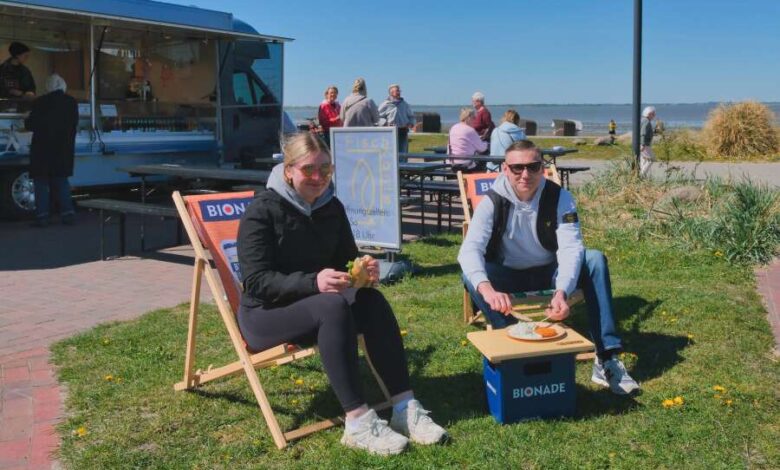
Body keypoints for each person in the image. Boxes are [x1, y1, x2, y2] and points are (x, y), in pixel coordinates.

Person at [236, 133, 447, 456]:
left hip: (318, 306)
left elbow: (344, 263)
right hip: (265, 315)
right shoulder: (261, 212)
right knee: (331, 307)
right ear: (288, 170)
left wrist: (361, 272)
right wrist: (313, 282)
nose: (318, 178)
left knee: (372, 301)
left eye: (326, 169)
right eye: (308, 170)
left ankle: (405, 409)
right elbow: (256, 281)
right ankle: (358, 422)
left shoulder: (331, 207)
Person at [457, 139, 640, 395]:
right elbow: (470, 249)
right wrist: (487, 289)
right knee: (471, 273)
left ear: (542, 168)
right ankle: (514, 340)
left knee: (595, 259)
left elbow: (570, 247)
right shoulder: (492, 201)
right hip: (507, 274)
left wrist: (562, 290)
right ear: (505, 170)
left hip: (548, 273)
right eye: (517, 168)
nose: (525, 174)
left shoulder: (560, 197)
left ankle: (606, 357)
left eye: (533, 167)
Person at [24, 74, 78, 227]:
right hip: (64, 147)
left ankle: (42, 217)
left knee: (41, 182)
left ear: (47, 87)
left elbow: (31, 125)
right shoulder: (71, 102)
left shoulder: (40, 102)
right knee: (61, 181)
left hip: (42, 148)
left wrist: (27, 118)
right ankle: (67, 214)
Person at [378, 84, 415, 155]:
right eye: (397, 91)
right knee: (391, 153)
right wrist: (385, 123)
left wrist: (411, 123)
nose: (399, 92)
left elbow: (411, 116)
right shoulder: (385, 104)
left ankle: (403, 166)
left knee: (403, 154)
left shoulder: (404, 104)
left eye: (399, 91)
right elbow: (378, 117)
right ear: (391, 93)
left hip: (403, 131)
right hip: (390, 132)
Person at [447, 107, 487, 172]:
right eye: (474, 117)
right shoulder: (470, 130)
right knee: (484, 163)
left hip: (453, 164)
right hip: (466, 165)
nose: (475, 120)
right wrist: (486, 144)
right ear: (468, 118)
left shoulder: (453, 128)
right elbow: (482, 148)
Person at [640, 106, 656, 178]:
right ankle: (642, 175)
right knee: (651, 159)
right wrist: (643, 144)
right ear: (649, 114)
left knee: (644, 159)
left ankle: (642, 176)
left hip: (641, 143)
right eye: (653, 114)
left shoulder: (642, 120)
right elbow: (643, 133)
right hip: (644, 144)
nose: (654, 116)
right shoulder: (646, 121)